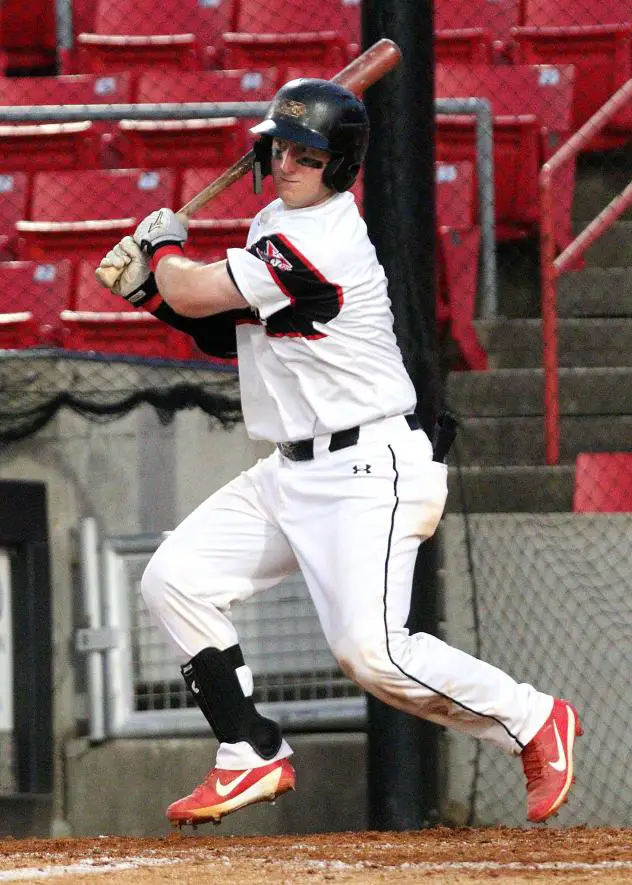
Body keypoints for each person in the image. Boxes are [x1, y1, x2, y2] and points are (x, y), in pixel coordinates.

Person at [98, 78, 582, 828]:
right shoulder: (273, 222)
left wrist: (162, 251)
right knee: (175, 579)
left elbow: (198, 293)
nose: (289, 161)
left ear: (339, 164)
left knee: (372, 654)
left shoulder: (320, 240)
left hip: (368, 472)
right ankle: (249, 751)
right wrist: (152, 293)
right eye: (281, 147)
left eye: (307, 152)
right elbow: (229, 330)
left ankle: (532, 716)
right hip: (291, 469)